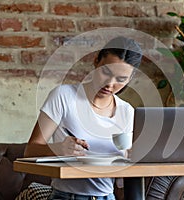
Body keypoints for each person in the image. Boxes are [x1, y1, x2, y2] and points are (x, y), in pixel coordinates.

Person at [24, 36, 143, 200]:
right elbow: (30, 150)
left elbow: (121, 180)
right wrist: (58, 149)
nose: (110, 84)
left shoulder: (126, 111)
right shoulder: (63, 96)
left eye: (121, 79)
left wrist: (132, 158)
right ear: (96, 62)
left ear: (130, 79)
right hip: (66, 196)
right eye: (106, 72)